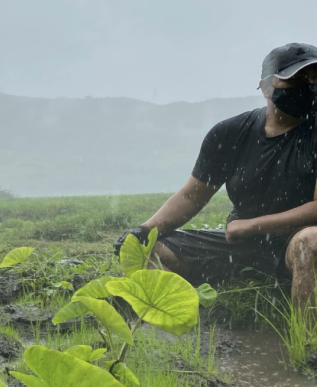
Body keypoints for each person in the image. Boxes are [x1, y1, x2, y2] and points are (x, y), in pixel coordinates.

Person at [115, 42, 317, 315]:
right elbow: (192, 196)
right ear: (267, 86)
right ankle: (194, 323)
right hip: (238, 244)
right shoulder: (231, 133)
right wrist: (144, 230)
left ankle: (308, 349)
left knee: (311, 243)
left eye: (314, 78)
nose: (308, 85)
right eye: (296, 79)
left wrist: (250, 226)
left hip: (293, 240)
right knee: (151, 250)